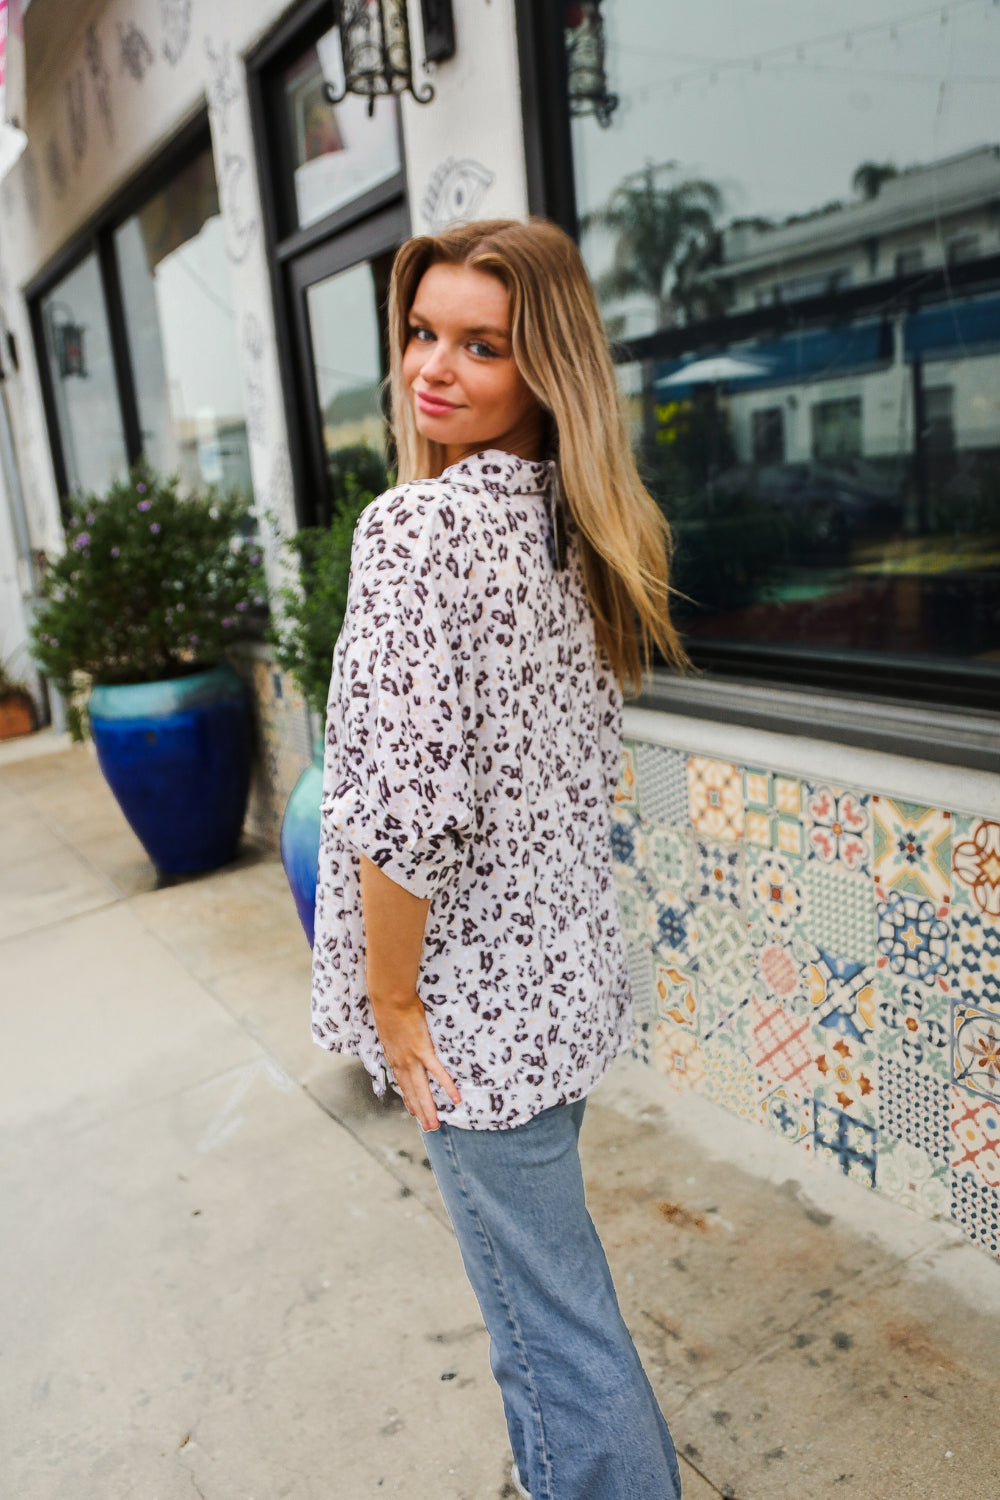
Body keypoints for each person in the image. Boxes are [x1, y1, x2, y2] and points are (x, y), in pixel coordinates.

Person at [311, 218, 688, 1500]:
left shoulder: (416, 532)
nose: (435, 367)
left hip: (473, 1020)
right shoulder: (580, 529)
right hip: (562, 992)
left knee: (552, 1336)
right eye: (423, 332)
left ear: (546, 367)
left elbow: (408, 815)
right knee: (546, 1312)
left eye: (482, 345)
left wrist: (392, 999)